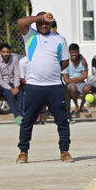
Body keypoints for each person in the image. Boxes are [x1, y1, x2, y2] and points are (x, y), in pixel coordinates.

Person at [16, 11, 73, 163]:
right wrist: (40, 17)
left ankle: (65, 151)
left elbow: (65, 62)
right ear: (36, 23)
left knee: (62, 120)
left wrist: (51, 71)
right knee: (28, 120)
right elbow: (21, 22)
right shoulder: (30, 35)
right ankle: (23, 152)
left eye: (46, 22)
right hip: (34, 86)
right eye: (40, 22)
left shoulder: (60, 39)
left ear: (51, 24)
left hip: (54, 86)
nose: (43, 25)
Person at [0, 43, 24, 124]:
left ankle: (20, 115)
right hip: (4, 84)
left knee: (20, 94)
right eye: (3, 52)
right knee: (10, 95)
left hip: (14, 82)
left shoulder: (14, 59)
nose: (6, 54)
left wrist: (16, 86)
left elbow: (17, 73)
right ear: (0, 52)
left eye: (7, 52)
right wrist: (11, 88)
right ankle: (17, 116)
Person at [62, 43, 91, 117]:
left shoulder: (82, 61)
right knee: (73, 87)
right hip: (71, 85)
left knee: (87, 88)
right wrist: (80, 78)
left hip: (81, 83)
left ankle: (82, 106)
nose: (74, 54)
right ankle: (76, 107)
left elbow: (85, 75)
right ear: (69, 52)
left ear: (79, 52)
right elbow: (66, 80)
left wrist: (72, 79)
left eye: (76, 52)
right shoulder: (66, 62)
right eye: (72, 52)